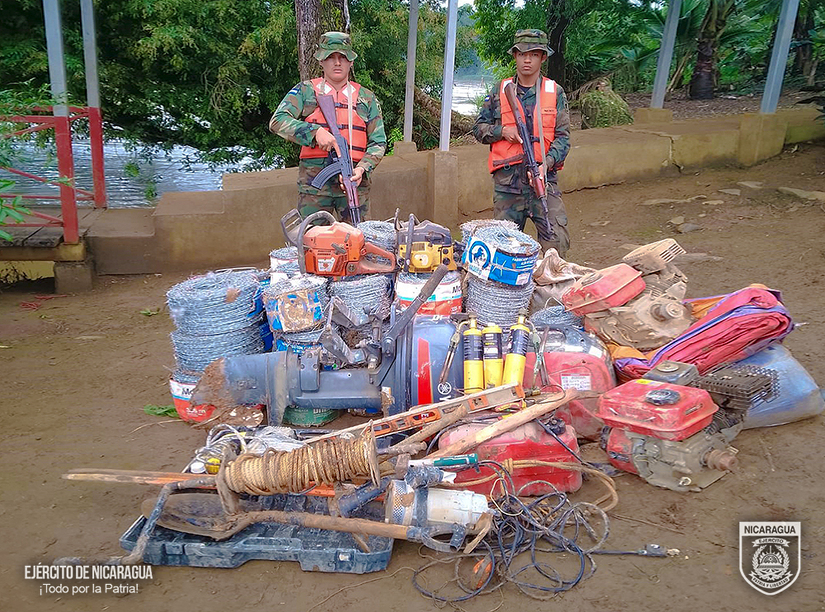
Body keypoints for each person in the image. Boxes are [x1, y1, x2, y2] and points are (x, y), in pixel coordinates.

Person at [270, 32, 386, 222]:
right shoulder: (305, 91)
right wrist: (315, 132)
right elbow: (277, 121)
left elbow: (378, 142)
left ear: (351, 62)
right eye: (331, 57)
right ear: (321, 61)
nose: (337, 63)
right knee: (312, 241)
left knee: (357, 241)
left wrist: (362, 169)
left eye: (343, 57)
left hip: (354, 182)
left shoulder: (367, 98)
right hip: (314, 185)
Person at [473, 29, 571, 256]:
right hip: (508, 187)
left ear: (543, 57)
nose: (527, 59)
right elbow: (478, 129)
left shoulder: (555, 92)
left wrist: (546, 163)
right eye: (522, 54)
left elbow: (563, 139)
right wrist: (502, 131)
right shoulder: (500, 91)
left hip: (543, 182)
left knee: (556, 244)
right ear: (514, 56)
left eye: (534, 54)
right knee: (502, 251)